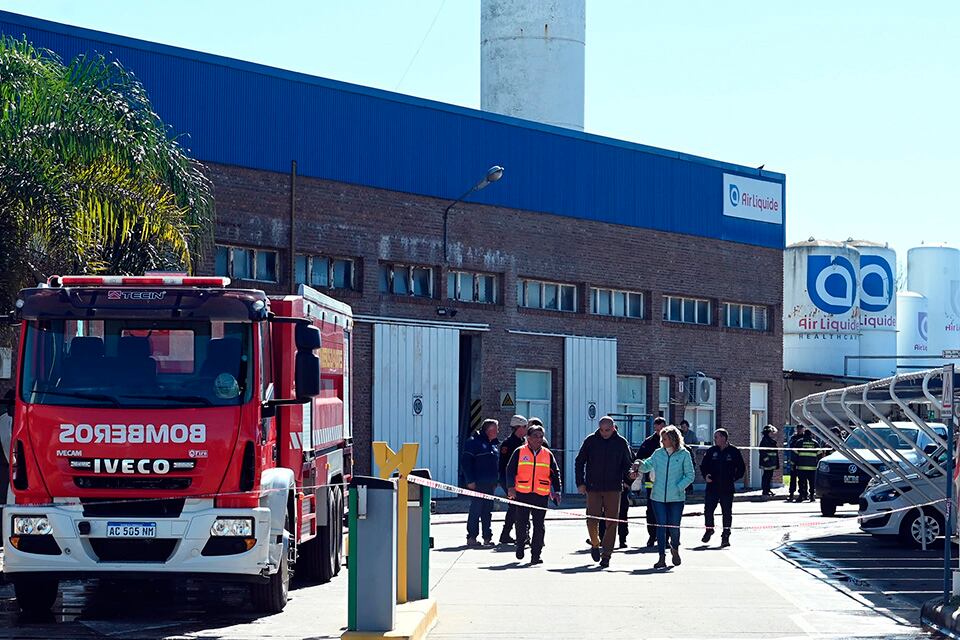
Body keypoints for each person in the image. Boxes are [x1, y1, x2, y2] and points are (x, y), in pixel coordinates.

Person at [575, 416, 634, 567]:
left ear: (613, 428)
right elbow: (579, 461)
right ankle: (595, 543)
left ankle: (607, 555)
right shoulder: (591, 441)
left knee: (611, 522)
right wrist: (580, 483)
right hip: (593, 487)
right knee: (591, 520)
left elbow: (627, 464)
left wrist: (630, 477)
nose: (604, 433)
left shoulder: (621, 443)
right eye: (601, 430)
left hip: (613, 488)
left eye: (607, 430)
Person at [635, 425, 695, 569]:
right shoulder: (657, 453)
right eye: (662, 438)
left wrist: (678, 487)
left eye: (665, 438)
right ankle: (661, 557)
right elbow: (647, 465)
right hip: (658, 497)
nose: (662, 441)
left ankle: (675, 548)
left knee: (673, 527)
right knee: (660, 527)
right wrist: (638, 464)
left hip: (676, 498)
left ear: (673, 439)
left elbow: (690, 475)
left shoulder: (684, 454)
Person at [506, 424, 561, 565]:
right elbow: (510, 470)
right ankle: (520, 545)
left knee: (539, 525)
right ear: (528, 438)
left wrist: (557, 491)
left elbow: (555, 473)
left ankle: (536, 555)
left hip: (541, 494)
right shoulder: (519, 452)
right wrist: (511, 488)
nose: (539, 439)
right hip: (523, 493)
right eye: (535, 436)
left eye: (541, 436)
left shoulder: (547, 454)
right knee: (521, 522)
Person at [700, 428, 746, 547]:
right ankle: (709, 529)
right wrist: (706, 476)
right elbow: (703, 466)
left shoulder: (733, 451)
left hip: (727, 487)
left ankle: (726, 535)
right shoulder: (711, 451)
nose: (715, 439)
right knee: (708, 510)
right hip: (712, 486)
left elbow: (741, 467)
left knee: (726, 512)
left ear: (724, 438)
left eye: (717, 437)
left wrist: (734, 478)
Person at [461, 418, 501, 547]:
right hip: (477, 484)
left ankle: (487, 538)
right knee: (475, 510)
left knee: (487, 511)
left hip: (490, 484)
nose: (497, 431)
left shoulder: (494, 445)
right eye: (495, 429)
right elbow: (466, 463)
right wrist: (470, 480)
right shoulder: (473, 443)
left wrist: (496, 481)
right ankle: (472, 537)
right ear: (488, 430)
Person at [635, 416, 667, 546]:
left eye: (661, 429)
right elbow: (639, 460)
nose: (659, 432)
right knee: (651, 510)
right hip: (651, 483)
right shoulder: (648, 442)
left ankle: (668, 536)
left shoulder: (672, 440)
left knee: (667, 510)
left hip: (667, 483)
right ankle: (652, 535)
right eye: (657, 429)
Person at [497, 415, 528, 545]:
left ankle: (506, 534)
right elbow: (504, 465)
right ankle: (520, 535)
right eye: (525, 427)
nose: (527, 429)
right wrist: (509, 485)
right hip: (509, 480)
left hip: (521, 480)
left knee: (515, 507)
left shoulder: (524, 442)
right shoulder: (508, 444)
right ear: (518, 427)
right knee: (517, 507)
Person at [795, 427, 820, 502]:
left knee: (801, 482)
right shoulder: (815, 443)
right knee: (812, 482)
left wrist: (794, 463)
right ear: (811, 435)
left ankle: (801, 496)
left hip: (801, 467)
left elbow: (795, 454)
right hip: (812, 467)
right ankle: (812, 496)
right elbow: (819, 454)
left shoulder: (799, 442)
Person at [679, 419, 699, 495]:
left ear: (687, 427)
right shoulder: (680, 434)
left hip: (690, 455)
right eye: (682, 427)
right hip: (681, 456)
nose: (683, 429)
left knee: (689, 472)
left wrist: (692, 451)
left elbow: (696, 444)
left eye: (684, 427)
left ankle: (690, 489)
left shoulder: (692, 434)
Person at [786, 425, 807, 502]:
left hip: (803, 462)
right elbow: (791, 447)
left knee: (803, 479)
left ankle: (804, 494)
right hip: (794, 461)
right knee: (793, 478)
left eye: (801, 429)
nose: (799, 430)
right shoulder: (793, 438)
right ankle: (791, 494)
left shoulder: (805, 438)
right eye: (798, 429)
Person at [759, 425, 780, 498]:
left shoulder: (770, 440)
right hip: (767, 463)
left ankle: (768, 490)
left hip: (771, 462)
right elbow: (762, 451)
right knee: (766, 476)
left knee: (769, 476)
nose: (772, 434)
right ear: (767, 433)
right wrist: (767, 460)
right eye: (771, 432)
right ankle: (765, 490)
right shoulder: (765, 440)